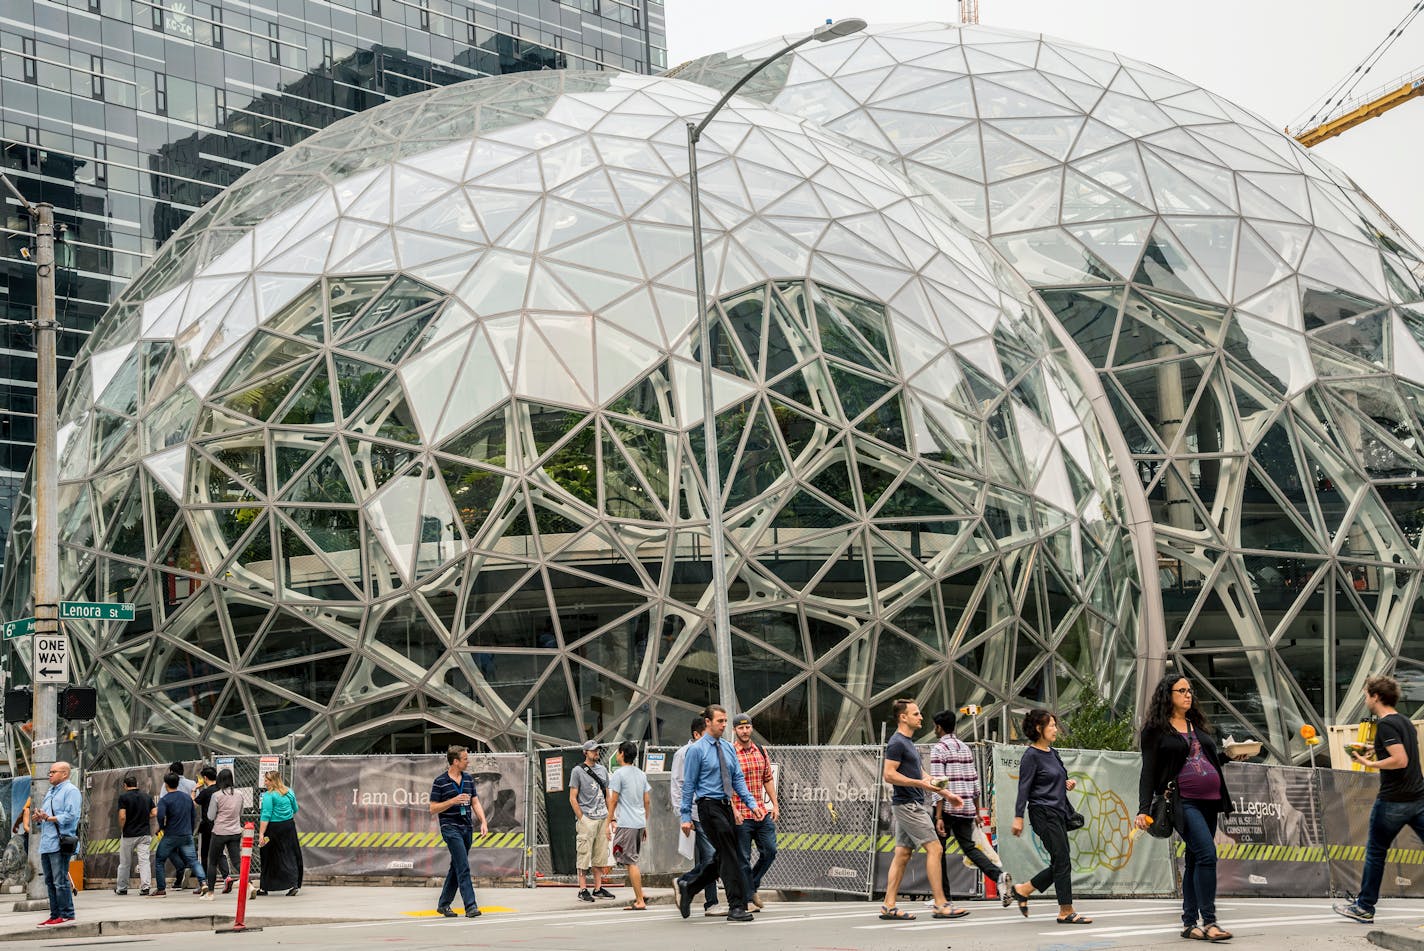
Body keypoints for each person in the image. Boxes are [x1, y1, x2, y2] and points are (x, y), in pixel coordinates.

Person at [1134, 676, 1239, 941]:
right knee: (1207, 854)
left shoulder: (1197, 725)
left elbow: (1206, 761)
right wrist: (1142, 809)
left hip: (1210, 801)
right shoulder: (1155, 730)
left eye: (1189, 690)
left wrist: (1229, 755)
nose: (1188, 694)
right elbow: (1148, 772)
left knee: (1194, 860)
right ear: (1166, 695)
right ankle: (1210, 922)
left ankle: (1189, 923)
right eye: (1181, 690)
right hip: (1184, 802)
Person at [1334, 674, 1424, 924]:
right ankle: (1363, 905)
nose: (1365, 699)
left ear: (1376, 696)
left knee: (1375, 852)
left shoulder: (1385, 725)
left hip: (1394, 801)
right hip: (1418, 797)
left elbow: (1400, 760)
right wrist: (1376, 749)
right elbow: (1403, 751)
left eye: (1366, 695)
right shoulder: (1405, 722)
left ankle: (1364, 907)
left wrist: (1368, 762)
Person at [880, 699, 968, 923]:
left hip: (910, 804)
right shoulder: (897, 743)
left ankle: (889, 905)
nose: (921, 717)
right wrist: (921, 785)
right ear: (903, 717)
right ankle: (941, 904)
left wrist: (947, 794)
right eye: (916, 714)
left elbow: (923, 775)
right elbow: (889, 775)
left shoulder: (909, 743)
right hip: (908, 805)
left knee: (903, 854)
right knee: (936, 849)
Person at [676, 704, 764, 924]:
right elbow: (688, 785)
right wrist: (685, 817)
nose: (724, 725)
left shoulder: (727, 748)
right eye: (720, 721)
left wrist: (752, 804)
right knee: (730, 855)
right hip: (708, 806)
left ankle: (689, 885)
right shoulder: (696, 750)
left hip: (726, 805)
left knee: (723, 855)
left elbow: (737, 780)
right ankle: (737, 906)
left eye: (726, 721)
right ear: (708, 722)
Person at [1006, 709, 1090, 925]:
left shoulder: (1052, 753)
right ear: (1038, 728)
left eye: (1054, 724)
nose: (1055, 728)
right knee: (1062, 859)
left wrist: (1065, 784)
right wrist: (1018, 817)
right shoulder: (1031, 756)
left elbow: (1052, 779)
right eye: (1051, 725)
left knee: (1060, 861)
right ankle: (1065, 910)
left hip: (1058, 811)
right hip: (1042, 813)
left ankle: (1023, 889)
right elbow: (1024, 788)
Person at [929, 709, 1006, 891]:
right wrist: (977, 812)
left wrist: (939, 816)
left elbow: (939, 784)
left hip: (947, 807)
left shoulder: (938, 749)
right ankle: (999, 876)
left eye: (934, 727)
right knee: (970, 848)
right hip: (966, 807)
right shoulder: (965, 748)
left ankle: (943, 896)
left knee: (938, 851)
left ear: (939, 727)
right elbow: (974, 782)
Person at [670, 716, 723, 917]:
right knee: (711, 856)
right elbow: (677, 785)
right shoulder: (683, 754)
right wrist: (682, 815)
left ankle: (692, 890)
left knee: (708, 857)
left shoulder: (713, 749)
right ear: (696, 734)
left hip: (709, 812)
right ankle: (707, 898)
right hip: (694, 812)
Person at [429, 745, 489, 918]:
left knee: (456, 866)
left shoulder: (468, 779)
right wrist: (452, 801)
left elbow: (475, 802)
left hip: (466, 827)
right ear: (455, 761)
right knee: (463, 866)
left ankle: (444, 904)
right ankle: (470, 906)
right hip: (450, 828)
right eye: (465, 759)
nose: (468, 761)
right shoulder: (440, 782)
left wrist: (483, 822)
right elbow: (433, 808)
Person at [732, 712, 779, 911]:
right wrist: (734, 809)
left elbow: (767, 778)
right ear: (734, 730)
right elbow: (726, 785)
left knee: (770, 851)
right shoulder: (730, 752)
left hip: (760, 811)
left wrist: (775, 805)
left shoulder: (760, 750)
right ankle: (748, 898)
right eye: (741, 728)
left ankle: (751, 886)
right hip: (742, 814)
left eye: (748, 727)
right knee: (743, 858)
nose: (745, 731)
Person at [33, 762, 81, 927]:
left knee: (60, 880)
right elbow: (48, 817)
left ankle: (67, 914)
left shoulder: (71, 791)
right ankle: (55, 915)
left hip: (60, 843)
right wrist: (40, 818)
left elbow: (72, 815)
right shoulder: (51, 791)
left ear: (65, 774)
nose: (50, 775)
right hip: (47, 842)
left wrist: (49, 818)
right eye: (50, 772)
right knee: (50, 881)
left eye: (53, 772)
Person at [607, 741, 652, 911]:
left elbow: (613, 799)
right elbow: (646, 800)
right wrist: (644, 821)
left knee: (630, 861)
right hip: (639, 822)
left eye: (618, 752)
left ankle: (640, 899)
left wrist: (609, 821)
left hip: (626, 823)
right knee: (630, 859)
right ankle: (640, 892)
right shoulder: (641, 774)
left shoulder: (619, 774)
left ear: (622, 754)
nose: (617, 755)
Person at [569, 740, 615, 903]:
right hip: (587, 817)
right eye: (593, 750)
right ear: (585, 752)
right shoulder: (577, 771)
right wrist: (582, 817)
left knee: (600, 854)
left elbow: (608, 796)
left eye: (597, 750)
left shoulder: (602, 770)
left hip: (602, 816)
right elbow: (573, 797)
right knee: (583, 853)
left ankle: (597, 887)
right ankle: (582, 889)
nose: (596, 753)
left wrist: (611, 818)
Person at [151, 771, 209, 898]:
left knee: (160, 859)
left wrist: (162, 827)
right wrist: (190, 829)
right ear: (178, 783)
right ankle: (203, 882)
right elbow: (193, 816)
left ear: (166, 784)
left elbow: (160, 815)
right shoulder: (187, 798)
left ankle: (161, 889)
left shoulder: (164, 800)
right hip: (186, 834)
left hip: (171, 834)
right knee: (193, 860)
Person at [252, 771, 302, 898]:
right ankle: (293, 884)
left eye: (267, 780)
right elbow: (295, 808)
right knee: (289, 854)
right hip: (289, 826)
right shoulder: (289, 792)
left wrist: (261, 834)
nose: (265, 782)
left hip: (273, 828)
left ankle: (265, 886)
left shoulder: (269, 795)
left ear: (273, 781)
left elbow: (266, 815)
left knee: (268, 856)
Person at [115, 774, 156, 896]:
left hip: (129, 834)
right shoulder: (146, 797)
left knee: (125, 862)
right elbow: (154, 812)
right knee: (144, 861)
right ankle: (145, 887)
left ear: (125, 786)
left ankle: (122, 888)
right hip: (144, 834)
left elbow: (122, 816)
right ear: (137, 785)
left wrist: (123, 828)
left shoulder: (123, 797)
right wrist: (145, 817)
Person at [206, 769, 244, 897]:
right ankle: (248, 885)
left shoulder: (217, 795)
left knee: (212, 862)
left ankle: (210, 892)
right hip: (235, 831)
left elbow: (211, 816)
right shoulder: (239, 794)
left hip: (220, 832)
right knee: (237, 862)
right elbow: (241, 812)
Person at [193, 766, 219, 895]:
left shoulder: (205, 792)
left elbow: (194, 803)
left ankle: (204, 882)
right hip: (220, 826)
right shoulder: (220, 790)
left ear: (205, 778)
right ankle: (226, 877)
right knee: (219, 855)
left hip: (207, 826)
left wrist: (194, 789)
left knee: (204, 855)